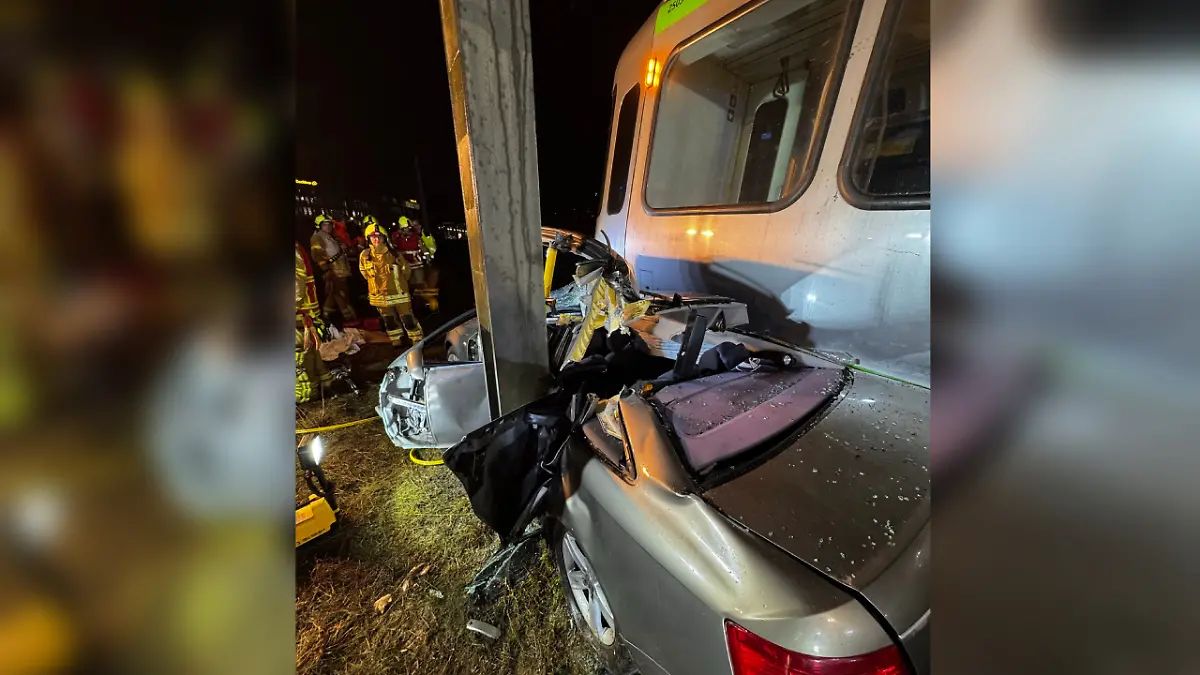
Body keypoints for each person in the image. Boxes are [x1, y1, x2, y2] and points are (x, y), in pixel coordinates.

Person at [359, 223, 423, 348]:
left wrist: (400, 284)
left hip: (399, 294)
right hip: (379, 296)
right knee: (389, 321)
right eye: (373, 237)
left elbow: (406, 271)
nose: (376, 239)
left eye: (379, 236)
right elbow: (365, 273)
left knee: (408, 319)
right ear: (368, 239)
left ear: (384, 238)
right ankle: (396, 339)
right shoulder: (365, 256)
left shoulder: (394, 254)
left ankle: (417, 339)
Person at [295, 242, 332, 402]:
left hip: (296, 311)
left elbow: (295, 284)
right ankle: (326, 383)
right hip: (300, 312)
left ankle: (305, 395)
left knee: (298, 355)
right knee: (310, 353)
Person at [310, 213, 358, 325]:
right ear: (319, 226)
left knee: (333, 293)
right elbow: (317, 255)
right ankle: (349, 317)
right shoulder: (317, 237)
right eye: (325, 225)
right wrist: (326, 270)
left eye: (329, 224)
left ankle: (326, 315)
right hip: (333, 271)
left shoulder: (331, 237)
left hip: (341, 270)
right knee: (341, 294)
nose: (328, 227)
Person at [391, 216, 439, 312]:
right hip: (405, 267)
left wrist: (428, 260)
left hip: (417, 265)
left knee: (420, 284)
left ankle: (424, 305)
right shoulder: (396, 237)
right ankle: (411, 306)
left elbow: (423, 249)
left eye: (409, 228)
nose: (407, 231)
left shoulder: (416, 237)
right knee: (406, 286)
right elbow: (394, 250)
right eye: (405, 229)